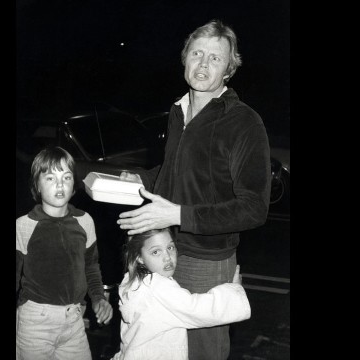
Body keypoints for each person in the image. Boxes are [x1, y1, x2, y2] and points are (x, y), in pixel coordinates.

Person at [116, 19, 271, 360]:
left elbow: (254, 207)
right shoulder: (178, 111)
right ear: (184, 58)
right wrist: (141, 180)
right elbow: (176, 172)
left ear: (230, 69)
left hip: (206, 258)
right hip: (163, 246)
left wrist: (178, 214)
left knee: (203, 353)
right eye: (197, 53)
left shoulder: (244, 122)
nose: (203, 64)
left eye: (215, 58)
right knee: (158, 345)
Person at [16, 146, 113, 360]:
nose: (60, 184)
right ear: (37, 186)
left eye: (66, 177)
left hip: (74, 321)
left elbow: (91, 266)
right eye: (50, 178)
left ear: (74, 185)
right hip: (35, 323)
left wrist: (98, 298)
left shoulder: (85, 221)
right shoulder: (23, 226)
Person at [111, 228, 250, 360]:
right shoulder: (159, 288)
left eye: (170, 247)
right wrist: (234, 291)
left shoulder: (132, 281)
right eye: (156, 252)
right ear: (139, 258)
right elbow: (197, 309)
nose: (167, 257)